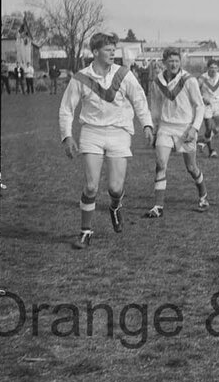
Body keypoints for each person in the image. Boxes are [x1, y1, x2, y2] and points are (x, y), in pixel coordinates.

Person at [58, 32, 154, 249]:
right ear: (95, 52)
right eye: (108, 50)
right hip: (91, 132)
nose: (113, 53)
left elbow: (139, 99)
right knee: (91, 186)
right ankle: (85, 231)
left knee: (115, 188)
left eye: (114, 50)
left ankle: (115, 205)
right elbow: (66, 109)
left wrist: (147, 124)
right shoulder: (81, 77)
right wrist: (67, 136)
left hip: (119, 133)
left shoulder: (124, 74)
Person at [144, 47, 209, 219]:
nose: (173, 64)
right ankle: (158, 206)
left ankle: (203, 196)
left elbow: (200, 106)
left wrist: (194, 128)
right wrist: (154, 128)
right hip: (165, 128)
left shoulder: (189, 80)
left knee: (191, 168)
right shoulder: (157, 82)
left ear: (180, 62)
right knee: (160, 164)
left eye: (176, 61)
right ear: (164, 62)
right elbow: (155, 107)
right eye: (170, 61)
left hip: (185, 128)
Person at [199, 60, 219, 158]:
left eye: (215, 67)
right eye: (211, 67)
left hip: (218, 104)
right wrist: (202, 98)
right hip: (207, 106)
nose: (213, 70)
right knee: (208, 128)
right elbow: (196, 91)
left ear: (218, 68)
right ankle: (211, 150)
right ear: (208, 68)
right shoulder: (202, 78)